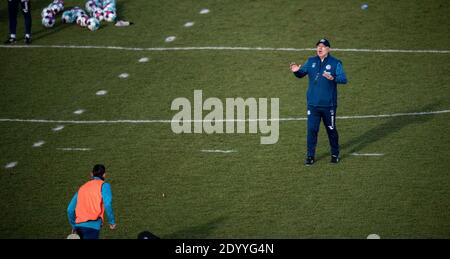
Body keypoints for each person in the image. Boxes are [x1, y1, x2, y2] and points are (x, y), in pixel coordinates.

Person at [290, 38, 348, 165]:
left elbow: (343, 79)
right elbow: (301, 74)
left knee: (331, 130)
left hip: (329, 105)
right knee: (312, 130)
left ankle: (334, 154)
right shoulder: (311, 61)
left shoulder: (335, 63)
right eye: (318, 46)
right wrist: (296, 71)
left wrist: (333, 78)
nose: (320, 48)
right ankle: (310, 156)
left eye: (323, 46)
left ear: (328, 49)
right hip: (313, 105)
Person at [67, 164, 116, 239]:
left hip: (78, 227)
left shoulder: (82, 188)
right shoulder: (104, 185)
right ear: (104, 175)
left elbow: (70, 209)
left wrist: (74, 226)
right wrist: (112, 222)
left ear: (91, 174)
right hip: (92, 228)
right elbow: (107, 205)